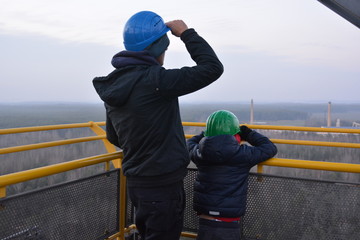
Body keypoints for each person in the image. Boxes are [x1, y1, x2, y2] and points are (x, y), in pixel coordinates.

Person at [92, 11, 223, 240]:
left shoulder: (113, 85)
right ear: (156, 49)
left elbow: (114, 136)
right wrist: (186, 33)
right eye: (164, 48)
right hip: (163, 186)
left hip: (137, 185)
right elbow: (212, 67)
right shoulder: (157, 80)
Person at [187, 110, 277, 240]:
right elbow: (270, 148)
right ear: (236, 136)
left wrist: (205, 133)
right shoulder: (243, 154)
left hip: (205, 220)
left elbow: (189, 144)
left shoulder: (199, 153)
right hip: (228, 224)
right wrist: (248, 133)